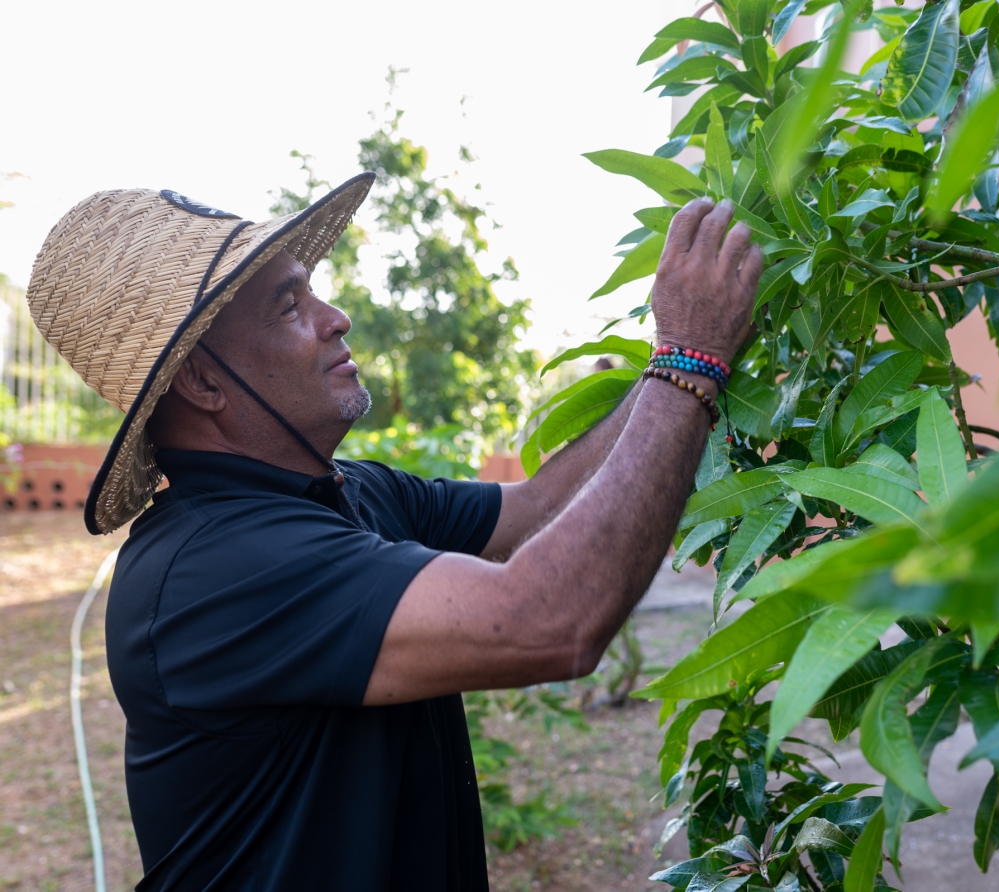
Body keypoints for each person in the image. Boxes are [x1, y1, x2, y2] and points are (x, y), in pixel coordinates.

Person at [25, 175, 762, 891]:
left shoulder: (348, 493)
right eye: (289, 306)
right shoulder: (212, 568)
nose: (334, 315)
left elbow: (538, 507)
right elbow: (548, 621)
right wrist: (689, 358)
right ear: (204, 385)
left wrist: (690, 348)